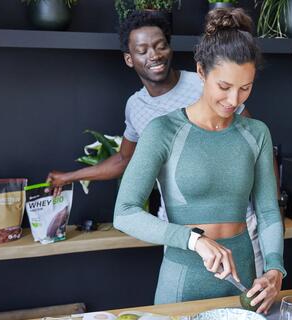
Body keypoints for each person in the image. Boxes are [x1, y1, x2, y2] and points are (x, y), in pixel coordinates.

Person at [46, 11, 273, 277]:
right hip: (180, 231)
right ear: (129, 59)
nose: (153, 55)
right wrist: (70, 176)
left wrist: (269, 210)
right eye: (142, 50)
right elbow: (124, 159)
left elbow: (251, 146)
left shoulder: (210, 84)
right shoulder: (137, 107)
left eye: (160, 45)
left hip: (239, 227)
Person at [114, 8, 285, 313]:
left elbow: (269, 211)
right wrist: (194, 240)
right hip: (182, 280)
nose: (234, 100)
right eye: (224, 87)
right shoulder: (162, 130)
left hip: (243, 278)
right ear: (202, 72)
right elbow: (124, 213)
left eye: (245, 88)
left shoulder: (256, 133)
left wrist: (274, 269)